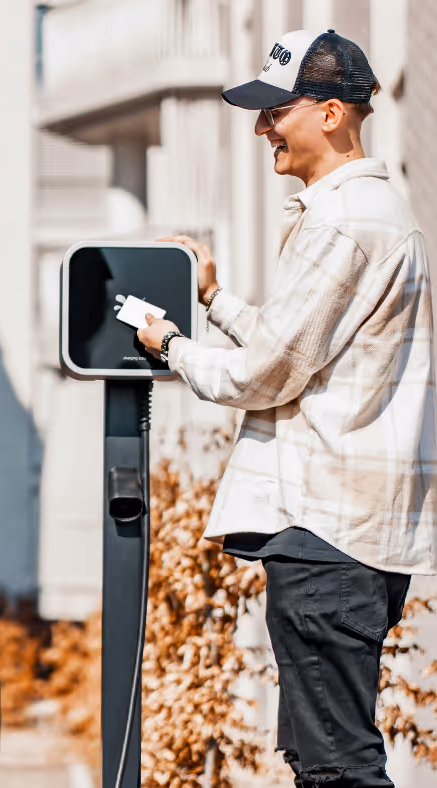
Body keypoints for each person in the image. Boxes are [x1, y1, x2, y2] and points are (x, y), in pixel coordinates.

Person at [137, 30, 436, 787]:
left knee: (336, 765)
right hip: (347, 535)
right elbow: (297, 347)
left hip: (329, 532)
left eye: (277, 110)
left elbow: (267, 373)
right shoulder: (370, 212)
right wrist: (212, 299)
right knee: (318, 756)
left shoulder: (343, 219)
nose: (263, 126)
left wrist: (171, 345)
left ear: (332, 113)